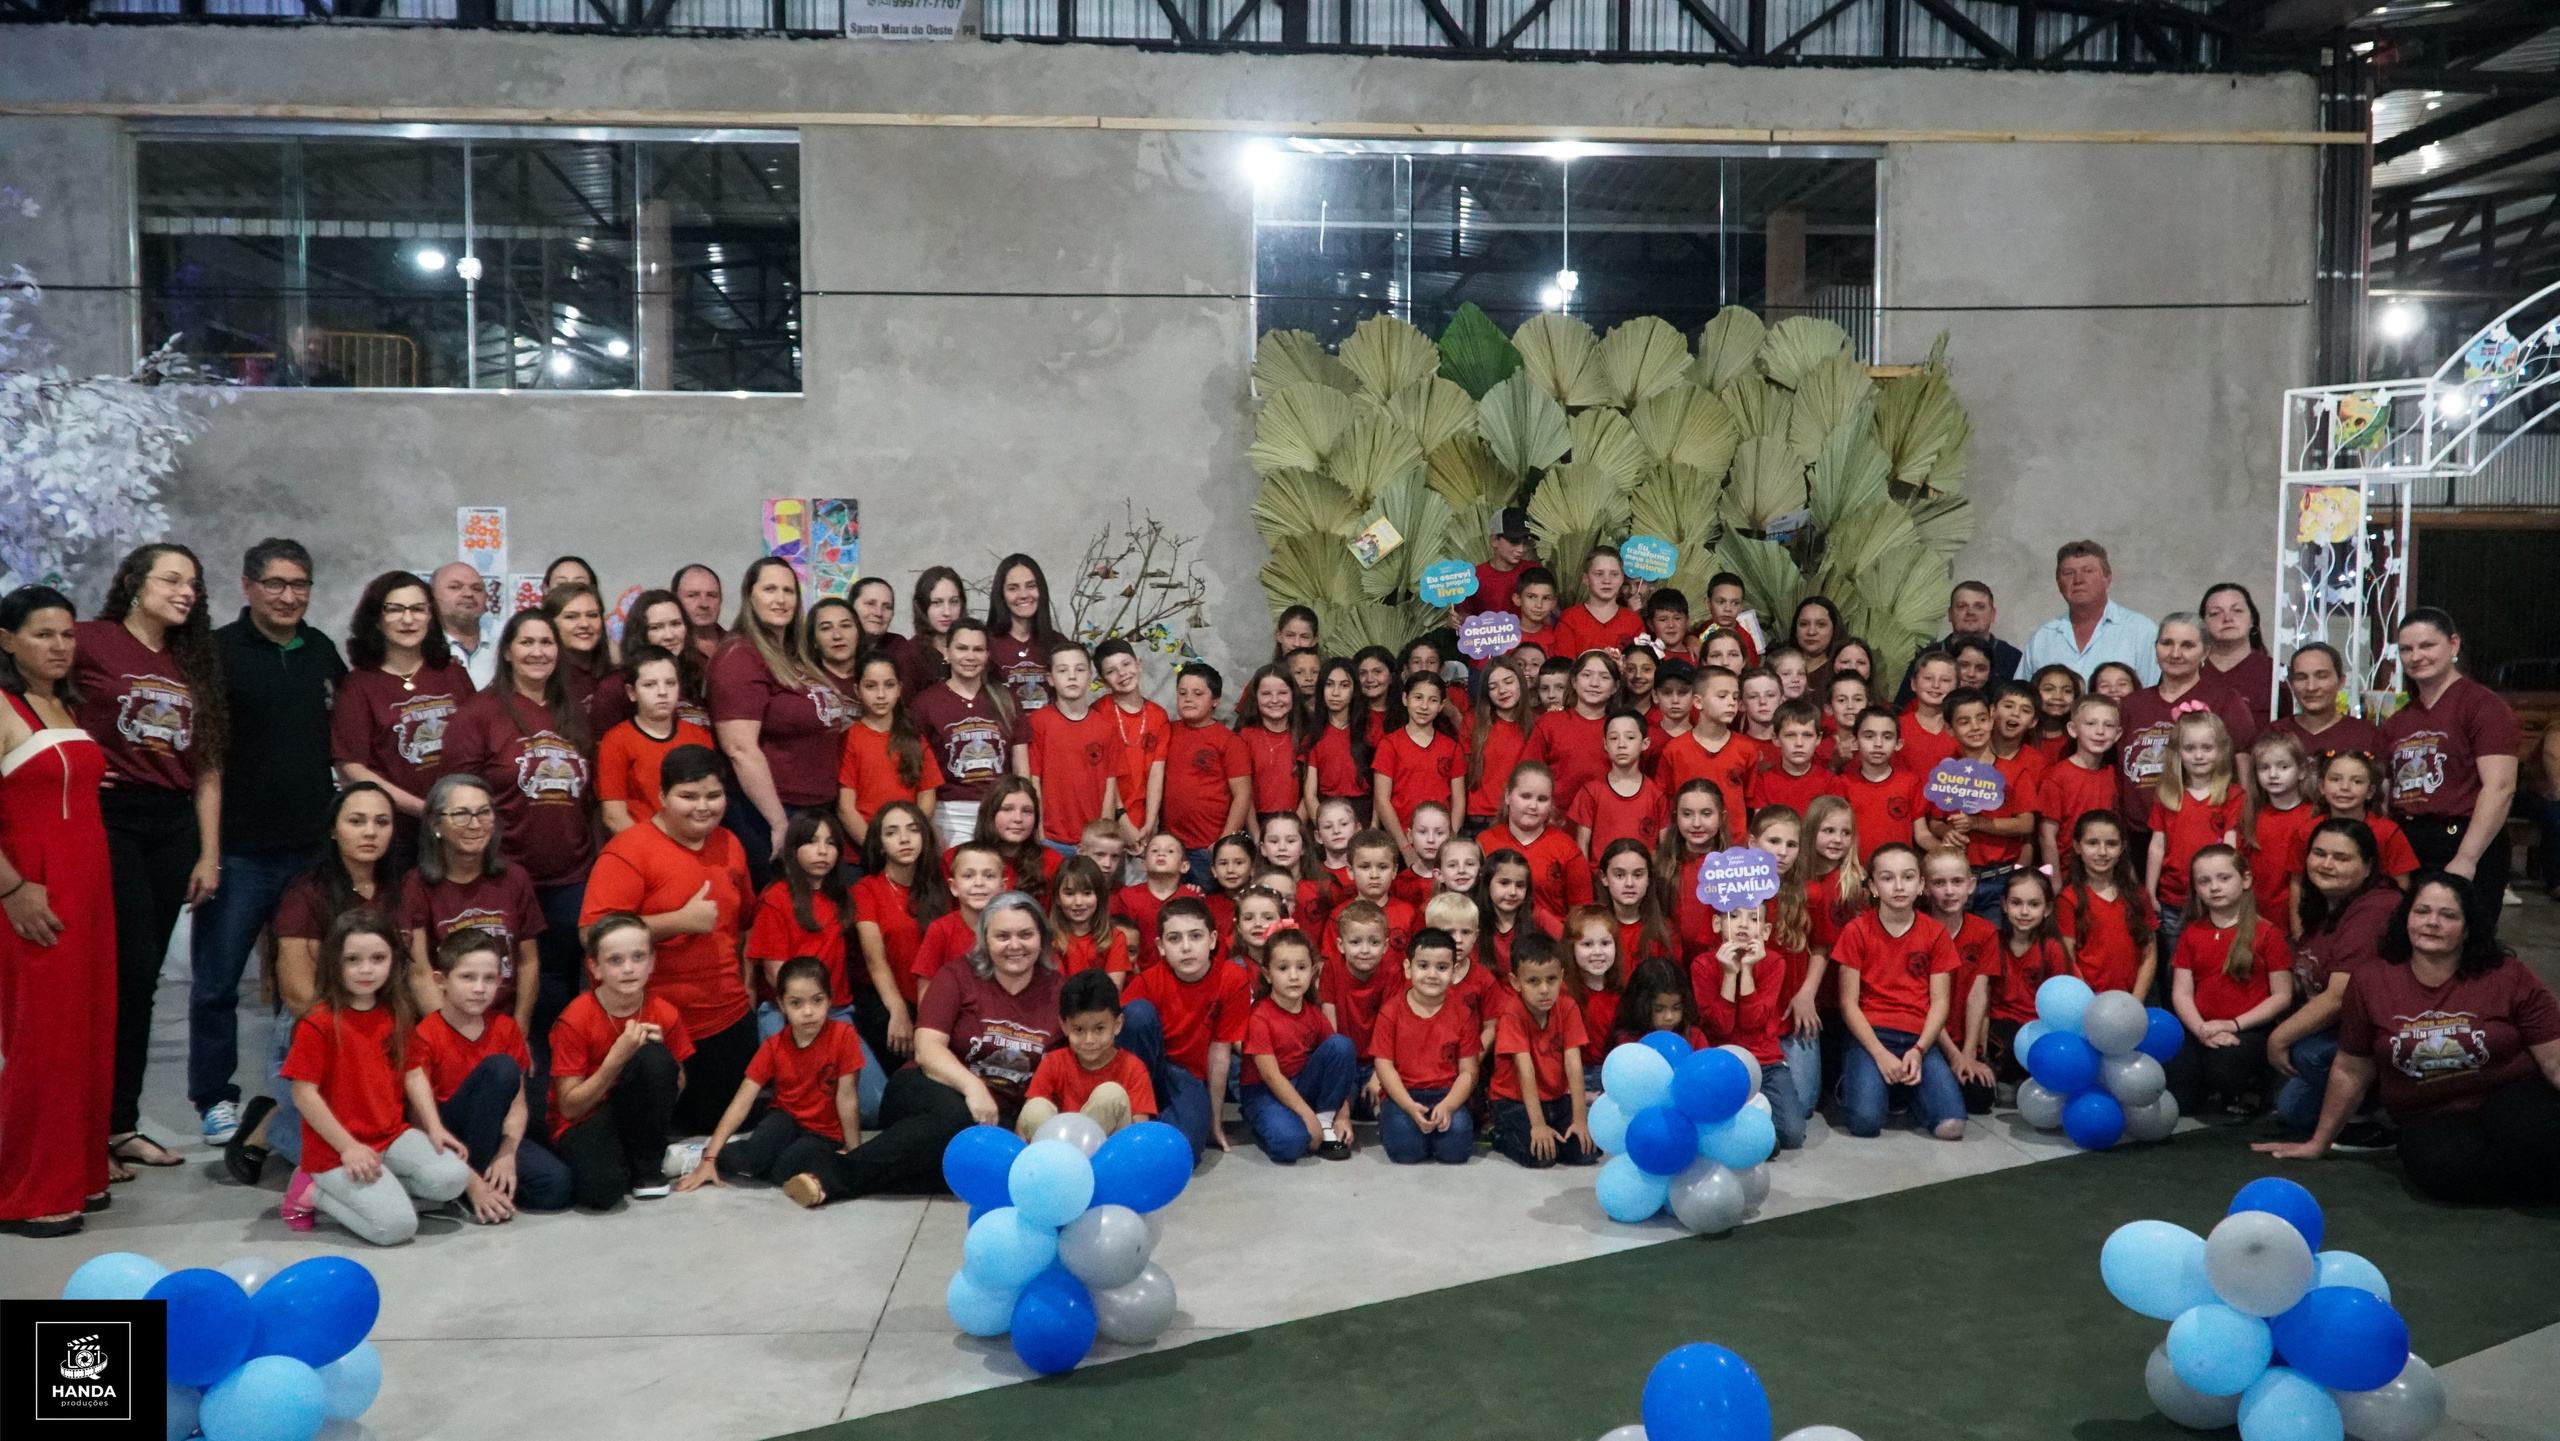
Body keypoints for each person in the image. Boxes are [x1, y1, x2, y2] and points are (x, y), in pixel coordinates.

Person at [2257, 872, 2560, 1203]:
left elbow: (2554, 1058)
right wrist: (2319, 1142)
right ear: (2406, 919)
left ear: (2468, 928)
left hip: (2510, 1095)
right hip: (2432, 1113)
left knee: (2527, 1131)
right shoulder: (2371, 981)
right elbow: (2351, 1070)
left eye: (2448, 915)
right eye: (2422, 911)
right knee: (2440, 1170)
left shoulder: (2508, 975)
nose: (2432, 923)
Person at [190, 538, 349, 1148]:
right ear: (248, 587)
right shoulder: (219, 653)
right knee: (216, 982)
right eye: (276, 584)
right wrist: (208, 853)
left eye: (299, 585)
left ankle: (302, 1093)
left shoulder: (321, 650)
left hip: (311, 849)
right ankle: (214, 1098)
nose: (288, 596)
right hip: (239, 851)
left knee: (308, 984)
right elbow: (206, 759)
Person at [77, 543, 228, 1175]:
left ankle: (120, 1126)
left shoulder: (193, 659)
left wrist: (209, 852)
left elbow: (208, 764)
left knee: (142, 982)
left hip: (173, 825)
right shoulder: (91, 641)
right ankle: (85, 1131)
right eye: (172, 579)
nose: (186, 591)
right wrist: (76, 756)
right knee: (119, 971)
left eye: (193, 583)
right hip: (110, 818)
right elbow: (30, 698)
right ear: (135, 583)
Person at [795, 891, 1065, 1202]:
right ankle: (831, 1176)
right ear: (985, 939)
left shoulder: (1058, 990)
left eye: (1025, 935)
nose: (1014, 945)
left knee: (979, 1167)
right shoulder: (957, 975)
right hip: (925, 1086)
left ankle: (826, 1168)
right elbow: (927, 1048)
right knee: (958, 1119)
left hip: (998, 1114)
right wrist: (973, 1088)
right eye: (1002, 936)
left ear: (1042, 938)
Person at [0, 586, 114, 1236]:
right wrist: (13, 889)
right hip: (33, 889)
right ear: (6, 639)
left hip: (88, 886)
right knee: (41, 1041)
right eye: (43, 634)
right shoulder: (2, 705)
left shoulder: (61, 704)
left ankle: (80, 1173)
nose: (59, 645)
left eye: (67, 634)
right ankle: (28, 1191)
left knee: (88, 1032)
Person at [579, 744, 756, 1137]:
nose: (703, 807)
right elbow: (591, 933)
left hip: (726, 1018)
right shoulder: (629, 849)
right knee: (646, 1135)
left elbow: (744, 925)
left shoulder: (730, 843)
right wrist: (678, 922)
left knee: (720, 1133)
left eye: (713, 795)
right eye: (688, 796)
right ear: (661, 796)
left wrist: (748, 984)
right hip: (648, 1026)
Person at [441, 608, 595, 1045]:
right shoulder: (479, 713)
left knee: (561, 983)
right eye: (527, 642)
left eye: (547, 642)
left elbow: (590, 796)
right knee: (500, 983)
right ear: (507, 651)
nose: (538, 651)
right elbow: (456, 796)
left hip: (570, 876)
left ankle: (554, 1074)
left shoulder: (572, 712)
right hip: (503, 873)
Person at [235, 783, 398, 1184]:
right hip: (315, 1029)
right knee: (345, 1161)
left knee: (388, 1148)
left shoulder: (400, 889)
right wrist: (352, 1046)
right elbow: (296, 992)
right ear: (333, 830)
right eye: (356, 821)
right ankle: (271, 1126)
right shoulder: (307, 893)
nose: (370, 832)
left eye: (381, 822)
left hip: (381, 1025)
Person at [278, 911, 471, 1243]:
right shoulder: (318, 1022)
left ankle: (380, 1192)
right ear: (334, 962)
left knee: (453, 1178)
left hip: (391, 1137)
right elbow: (304, 1094)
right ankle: (312, 1191)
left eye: (378, 959)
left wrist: (435, 1127)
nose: (366, 970)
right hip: (335, 1149)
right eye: (353, 959)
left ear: (393, 961)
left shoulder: (396, 1013)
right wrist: (349, 1148)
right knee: (396, 1228)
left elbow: (413, 1072)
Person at [404, 927, 574, 1221]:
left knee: (557, 1186)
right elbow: (420, 1124)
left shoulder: (505, 1028)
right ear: (441, 981)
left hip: (493, 1135)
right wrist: (473, 1184)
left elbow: (518, 1106)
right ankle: (468, 1186)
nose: (479, 988)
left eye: (489, 979)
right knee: (500, 1068)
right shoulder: (424, 1035)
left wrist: (506, 1154)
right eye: (467, 977)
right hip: (445, 1139)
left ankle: (490, 1187)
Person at [674, 957, 865, 1207]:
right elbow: (741, 1102)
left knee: (784, 1167)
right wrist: (710, 1159)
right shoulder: (774, 1046)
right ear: (782, 1005)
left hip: (824, 1133)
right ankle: (704, 1153)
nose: (808, 1011)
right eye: (796, 1003)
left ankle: (796, 1163)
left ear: (830, 999)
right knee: (753, 1159)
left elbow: (847, 1098)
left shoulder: (844, 1036)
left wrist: (854, 1155)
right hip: (784, 1117)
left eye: (817, 1000)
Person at [710, 557, 849, 888]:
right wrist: (778, 823)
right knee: (777, 907)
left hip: (814, 809)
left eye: (789, 591)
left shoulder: (790, 654)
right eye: (770, 589)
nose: (781, 599)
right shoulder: (740, 657)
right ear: (750, 596)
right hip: (770, 813)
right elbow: (740, 749)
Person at [2382, 609, 2520, 943]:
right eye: (2407, 649)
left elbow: (2500, 787)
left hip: (2465, 840)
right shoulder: (2399, 720)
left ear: (2453, 645)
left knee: (2465, 945)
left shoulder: (2482, 706)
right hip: (2410, 843)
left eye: (2427, 645)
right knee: (2409, 943)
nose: (2416, 656)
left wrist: (2466, 859)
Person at [2266, 819, 2399, 1145]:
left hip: (2384, 1037)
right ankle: (2349, 1111)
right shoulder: (2325, 903)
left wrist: (2278, 1038)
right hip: (2343, 1033)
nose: (2326, 864)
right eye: (2319, 853)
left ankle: (2380, 1112)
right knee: (2293, 1108)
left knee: (2305, 1051)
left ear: (2368, 867)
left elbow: (2340, 996)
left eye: (2341, 858)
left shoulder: (2375, 908)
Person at [548, 912, 693, 1207]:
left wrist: (660, 1061)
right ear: (595, 967)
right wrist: (616, 1058)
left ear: (652, 962)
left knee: (653, 1057)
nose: (628, 969)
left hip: (631, 1113)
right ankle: (621, 1160)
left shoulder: (664, 1012)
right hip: (583, 1118)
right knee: (602, 1194)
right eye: (615, 960)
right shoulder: (575, 1019)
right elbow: (570, 1108)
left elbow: (678, 1086)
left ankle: (648, 1168)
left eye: (638, 957)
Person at [334, 571, 475, 873]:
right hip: (394, 836)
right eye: (395, 609)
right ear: (376, 618)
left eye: (418, 609)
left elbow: (478, 742)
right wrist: (424, 810)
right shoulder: (359, 686)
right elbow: (352, 768)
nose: (408, 619)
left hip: (460, 827)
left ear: (431, 616)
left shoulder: (453, 674)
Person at [399, 774, 544, 1050]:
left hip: (504, 1026)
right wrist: (457, 1040)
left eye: (484, 813)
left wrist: (518, 1030)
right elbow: (419, 974)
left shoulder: (515, 878)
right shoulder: (416, 885)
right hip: (444, 1029)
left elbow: (528, 963)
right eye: (461, 815)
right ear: (436, 824)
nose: (475, 825)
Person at [1832, 843, 1965, 1140]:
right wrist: (1879, 1054)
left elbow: (1940, 1002)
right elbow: (1848, 1003)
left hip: (1919, 1038)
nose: (1899, 886)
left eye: (1908, 877)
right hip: (1871, 1036)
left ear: (1921, 884)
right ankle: (1858, 1081)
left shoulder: (1936, 933)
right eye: (1887, 878)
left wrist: (1919, 1050)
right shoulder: (1857, 931)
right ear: (1873, 887)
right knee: (1865, 1124)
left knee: (1951, 1127)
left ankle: (1904, 1089)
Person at [2166, 845, 2293, 1116]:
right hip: (2201, 1028)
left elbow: (2282, 995)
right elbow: (2182, 993)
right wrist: (2201, 1029)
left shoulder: (2267, 933)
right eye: (2204, 881)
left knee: (2225, 1067)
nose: (2214, 887)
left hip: (2248, 1029)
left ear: (2245, 879)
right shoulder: (2191, 933)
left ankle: (2255, 1082)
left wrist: (2232, 1025)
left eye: (2224, 878)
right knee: (2178, 1088)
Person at [1121, 896, 1250, 1160]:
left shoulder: (1232, 978)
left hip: (1187, 1077)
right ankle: (1133, 1123)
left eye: (1195, 936)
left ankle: (1154, 1130)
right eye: (1174, 938)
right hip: (1146, 1070)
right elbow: (1122, 1053)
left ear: (1212, 940)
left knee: (1188, 1146)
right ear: (1161, 946)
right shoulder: (1146, 983)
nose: (1186, 947)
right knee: (1137, 1013)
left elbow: (1220, 1053)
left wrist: (1214, 1121)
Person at [2115, 613, 2259, 838]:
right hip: (2135, 835)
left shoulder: (2225, 702)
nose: (2175, 654)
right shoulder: (2131, 704)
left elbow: (2244, 778)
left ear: (2205, 652)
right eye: (2167, 643)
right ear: (2156, 647)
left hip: (2202, 833)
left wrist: (2244, 831)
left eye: (2187, 645)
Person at [1240, 928, 1357, 1162]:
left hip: (1302, 1084)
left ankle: (1324, 1121)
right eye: (1283, 968)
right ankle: (1266, 1120)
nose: (1294, 976)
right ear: (1268, 975)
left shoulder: (1314, 1014)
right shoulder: (1259, 1017)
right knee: (1290, 1144)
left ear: (1312, 972)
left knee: (1341, 1045)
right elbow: (1271, 1076)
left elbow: (1338, 1065)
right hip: (1265, 1092)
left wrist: (1342, 1117)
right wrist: (1306, 1115)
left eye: (1301, 968)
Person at [911, 619, 1022, 853]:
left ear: (987, 655)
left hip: (1001, 811)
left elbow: (1022, 770)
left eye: (978, 649)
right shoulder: (925, 703)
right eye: (962, 648)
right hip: (949, 814)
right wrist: (929, 827)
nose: (970, 657)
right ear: (947, 651)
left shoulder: (1007, 700)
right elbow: (918, 774)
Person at [1486, 933, 1597, 1168]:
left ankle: (1555, 1133)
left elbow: (1574, 1066)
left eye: (1551, 979)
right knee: (1541, 1156)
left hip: (1556, 1100)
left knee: (1586, 1151)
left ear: (1561, 977)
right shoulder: (1511, 1014)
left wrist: (1580, 1120)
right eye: (1533, 981)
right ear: (1516, 982)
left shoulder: (1567, 1007)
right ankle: (1500, 1135)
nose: (1544, 989)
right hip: (1512, 1101)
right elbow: (1525, 1071)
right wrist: (1537, 1125)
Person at [1372, 927, 1479, 1164]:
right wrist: (1409, 1106)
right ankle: (1392, 1124)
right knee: (1406, 1152)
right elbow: (1384, 1067)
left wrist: (1449, 1105)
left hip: (1447, 1094)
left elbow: (1469, 1072)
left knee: (1455, 1151)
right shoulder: (1391, 1012)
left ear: (1454, 971)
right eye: (1423, 966)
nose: (1432, 974)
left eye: (1442, 967)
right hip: (1403, 1095)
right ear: (1408, 968)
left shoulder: (1464, 1013)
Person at [2146, 712, 2246, 966]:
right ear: (2177, 753)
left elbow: (2230, 848)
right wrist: (2149, 891)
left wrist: (2228, 890)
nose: (2198, 756)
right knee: (2173, 966)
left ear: (2221, 750)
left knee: (2212, 962)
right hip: (2173, 899)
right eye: (2190, 748)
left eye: (2207, 748)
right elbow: (2157, 846)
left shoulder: (2233, 795)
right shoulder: (2167, 794)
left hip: (2215, 899)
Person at [1017, 969, 1157, 1138]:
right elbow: (1026, 1123)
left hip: (1108, 1151)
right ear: (1064, 1026)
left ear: (1117, 1024)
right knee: (1035, 1107)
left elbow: (1140, 1134)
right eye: (1079, 1030)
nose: (1089, 1040)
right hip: (1057, 1149)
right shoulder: (1053, 1062)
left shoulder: (1133, 1068)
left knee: (1111, 1095)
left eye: (1099, 1029)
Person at [596, 646, 717, 833]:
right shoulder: (616, 741)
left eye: (670, 683)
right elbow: (614, 816)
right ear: (632, 692)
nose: (662, 692)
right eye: (650, 685)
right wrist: (654, 847)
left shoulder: (699, 736)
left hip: (695, 838)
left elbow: (711, 799)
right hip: (643, 842)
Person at [1021, 642, 1123, 858]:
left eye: (1080, 669)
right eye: (1063, 670)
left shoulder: (1106, 727)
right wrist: (1038, 831)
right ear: (1050, 678)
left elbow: (1110, 786)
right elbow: (1034, 781)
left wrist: (1102, 836)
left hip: (1091, 841)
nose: (1072, 676)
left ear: (1090, 676)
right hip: (1050, 837)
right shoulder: (1039, 722)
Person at [2015, 540, 2159, 685]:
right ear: (2058, 582)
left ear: (2107, 578)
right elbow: (2021, 694)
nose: (2078, 580)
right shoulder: (2043, 638)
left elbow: (2154, 694)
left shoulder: (2141, 631)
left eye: (2088, 571)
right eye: (2068, 573)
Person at [836, 650, 941, 848]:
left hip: (907, 846)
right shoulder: (849, 739)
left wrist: (908, 838)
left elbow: (927, 795)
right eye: (871, 686)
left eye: (889, 685)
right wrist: (877, 849)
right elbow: (845, 808)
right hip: (863, 849)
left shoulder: (914, 739)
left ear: (899, 688)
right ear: (857, 690)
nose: (881, 695)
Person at [1159, 664, 1252, 887]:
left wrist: (1223, 842)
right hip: (1172, 846)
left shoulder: (1229, 741)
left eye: (1198, 693)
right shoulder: (1167, 731)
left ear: (1215, 700)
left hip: (1208, 846)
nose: (1188, 699)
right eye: (1182, 693)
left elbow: (1243, 795)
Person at [2055, 811, 2157, 998]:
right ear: (2077, 846)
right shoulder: (2068, 899)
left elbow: (2149, 954)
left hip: (2132, 1001)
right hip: (2088, 1002)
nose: (2102, 852)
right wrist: (2090, 1003)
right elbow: (2068, 959)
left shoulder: (2139, 896)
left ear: (2122, 847)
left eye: (2111, 844)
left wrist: (2135, 1000)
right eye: (2092, 843)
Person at [591, 589, 712, 735]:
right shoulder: (615, 687)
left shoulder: (702, 670)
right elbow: (604, 744)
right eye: (656, 627)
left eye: (675, 624)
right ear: (640, 633)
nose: (669, 635)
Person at [1893, 582, 2023, 704]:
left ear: (1993, 614)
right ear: (1950, 614)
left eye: (1979, 607)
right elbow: (1904, 706)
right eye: (1962, 606)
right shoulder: (1927, 656)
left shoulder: (2013, 658)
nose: (1970, 612)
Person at [2274, 643, 2384, 762]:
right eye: (2301, 677)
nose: (2311, 687)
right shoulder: (2276, 733)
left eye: (2322, 676)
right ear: (2292, 683)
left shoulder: (2366, 735)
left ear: (2341, 681)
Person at [986, 553, 1063, 713]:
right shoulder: (986, 644)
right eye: (1013, 588)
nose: (1023, 595)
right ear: (1001, 595)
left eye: (1031, 586)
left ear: (1041, 590)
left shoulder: (1058, 643)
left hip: (1049, 728)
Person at [2201, 583, 2276, 731]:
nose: (2227, 618)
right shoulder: (2189, 670)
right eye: (2215, 613)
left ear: (2252, 620)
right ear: (2203, 624)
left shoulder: (2275, 673)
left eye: (2237, 610)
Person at [1551, 548, 1646, 658]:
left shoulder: (1634, 621)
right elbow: (1564, 664)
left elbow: (1640, 662)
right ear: (1586, 578)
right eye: (1599, 574)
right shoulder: (1570, 618)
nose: (1607, 580)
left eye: (1614, 574)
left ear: (1622, 579)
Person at [544, 582, 614, 730]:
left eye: (592, 615)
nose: (584, 624)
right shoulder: (541, 679)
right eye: (571, 617)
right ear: (550, 624)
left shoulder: (616, 676)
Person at [896, 565, 967, 700]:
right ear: (922, 607)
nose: (947, 612)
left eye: (954, 602)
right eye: (936, 603)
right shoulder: (909, 656)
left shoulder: (973, 649)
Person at [430, 561, 499, 689]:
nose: (468, 594)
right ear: (431, 596)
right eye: (455, 587)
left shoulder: (505, 650)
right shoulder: (420, 651)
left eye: (477, 588)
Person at [672, 563, 728, 663]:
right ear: (674, 600)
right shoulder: (667, 650)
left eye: (711, 595)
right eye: (693, 595)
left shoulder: (740, 645)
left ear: (721, 599)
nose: (704, 604)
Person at [849, 576, 906, 657]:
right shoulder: (836, 643)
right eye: (870, 603)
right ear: (850, 607)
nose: (878, 613)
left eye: (887, 607)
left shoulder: (899, 647)